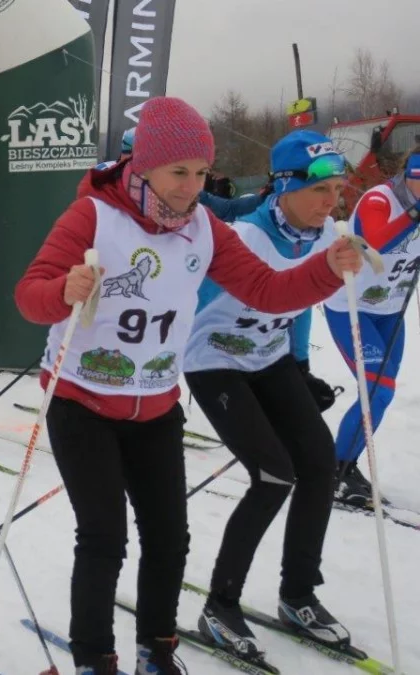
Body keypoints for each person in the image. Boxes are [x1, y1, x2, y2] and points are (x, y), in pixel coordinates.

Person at [13, 97, 363, 675]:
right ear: (144, 166)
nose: (191, 187)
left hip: (154, 406)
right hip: (82, 401)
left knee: (170, 539)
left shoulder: (204, 227)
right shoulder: (93, 216)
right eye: (179, 172)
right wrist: (63, 291)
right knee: (104, 538)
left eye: (202, 173)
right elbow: (30, 295)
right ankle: (94, 660)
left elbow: (266, 291)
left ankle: (158, 650)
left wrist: (327, 269)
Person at [184, 130, 352, 664]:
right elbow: (183, 305)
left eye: (338, 190)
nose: (333, 202)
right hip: (213, 363)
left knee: (321, 465)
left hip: (270, 360)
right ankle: (220, 606)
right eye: (321, 189)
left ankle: (298, 593)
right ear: (285, 186)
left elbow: (301, 304)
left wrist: (300, 368)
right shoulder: (243, 239)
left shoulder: (324, 237)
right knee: (274, 474)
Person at [324, 147, 420, 507]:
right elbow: (377, 243)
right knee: (376, 390)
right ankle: (338, 468)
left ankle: (343, 463)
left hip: (390, 311)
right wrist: (415, 213)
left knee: (384, 390)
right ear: (409, 176)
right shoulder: (379, 200)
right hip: (351, 307)